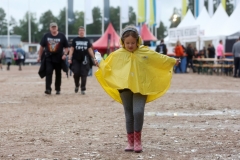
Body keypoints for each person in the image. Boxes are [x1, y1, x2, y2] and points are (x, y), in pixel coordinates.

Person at [95, 25, 179, 153]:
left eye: (132, 43)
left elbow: (159, 58)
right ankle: (131, 142)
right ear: (123, 42)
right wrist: (100, 63)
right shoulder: (118, 54)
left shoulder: (145, 51)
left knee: (138, 111)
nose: (130, 45)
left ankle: (138, 141)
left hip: (141, 86)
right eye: (127, 43)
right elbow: (107, 65)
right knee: (129, 114)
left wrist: (172, 61)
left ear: (137, 41)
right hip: (124, 87)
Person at [37, 22, 69, 95]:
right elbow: (41, 47)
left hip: (59, 58)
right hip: (49, 57)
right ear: (50, 28)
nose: (54, 28)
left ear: (57, 28)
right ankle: (48, 89)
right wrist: (39, 56)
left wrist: (65, 54)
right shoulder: (46, 36)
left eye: (55, 27)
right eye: (52, 27)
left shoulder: (62, 36)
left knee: (58, 74)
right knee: (48, 72)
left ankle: (58, 89)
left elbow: (66, 47)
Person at [68, 26, 97, 95]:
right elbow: (72, 49)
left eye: (82, 30)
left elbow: (90, 50)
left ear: (84, 32)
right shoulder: (75, 40)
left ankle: (83, 88)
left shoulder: (87, 40)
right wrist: (69, 58)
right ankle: (77, 85)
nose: (81, 32)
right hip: (76, 59)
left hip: (85, 60)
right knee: (76, 74)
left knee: (84, 74)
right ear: (78, 32)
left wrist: (94, 58)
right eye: (80, 30)